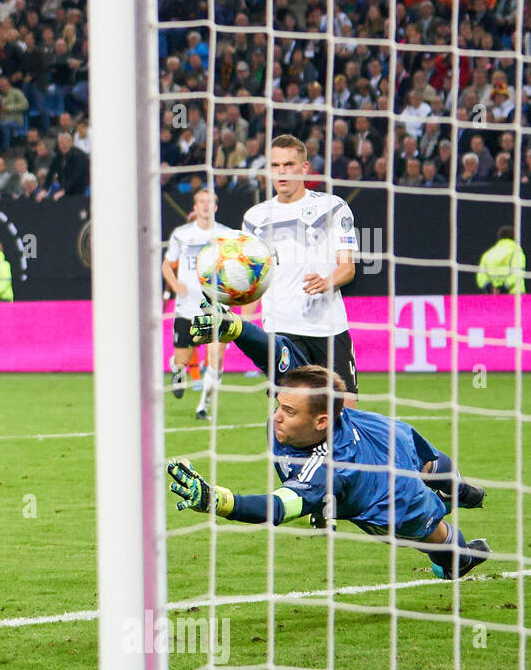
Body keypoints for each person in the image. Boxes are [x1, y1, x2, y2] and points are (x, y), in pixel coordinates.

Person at [168, 365, 489, 580]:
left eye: (289, 411)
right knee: (430, 462)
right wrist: (236, 329)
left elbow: (279, 508)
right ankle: (459, 492)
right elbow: (276, 351)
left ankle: (458, 560)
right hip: (383, 435)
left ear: (320, 421)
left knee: (434, 533)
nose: (278, 416)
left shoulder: (325, 473)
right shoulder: (318, 414)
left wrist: (218, 500)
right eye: (279, 406)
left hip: (391, 498)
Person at [242, 134, 360, 407]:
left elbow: (348, 268)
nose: (281, 172)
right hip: (281, 330)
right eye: (275, 165)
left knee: (347, 414)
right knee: (290, 418)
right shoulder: (254, 218)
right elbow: (253, 283)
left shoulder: (333, 207)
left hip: (328, 328)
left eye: (289, 164)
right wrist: (243, 327)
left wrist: (326, 281)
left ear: (304, 168)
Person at [162, 188, 234, 419]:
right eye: (200, 201)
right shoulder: (181, 234)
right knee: (183, 359)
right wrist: (175, 284)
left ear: (215, 207)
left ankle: (203, 407)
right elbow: (166, 265)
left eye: (209, 202)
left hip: (216, 306)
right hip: (187, 307)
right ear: (195, 207)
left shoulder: (227, 235)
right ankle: (176, 368)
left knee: (216, 357)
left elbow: (237, 266)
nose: (205, 205)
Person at [476, 226, 525, 294]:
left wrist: (490, 288)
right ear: (515, 237)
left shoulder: (487, 254)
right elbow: (518, 273)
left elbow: (481, 276)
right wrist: (503, 288)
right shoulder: (516, 253)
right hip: (514, 295)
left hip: (493, 296)